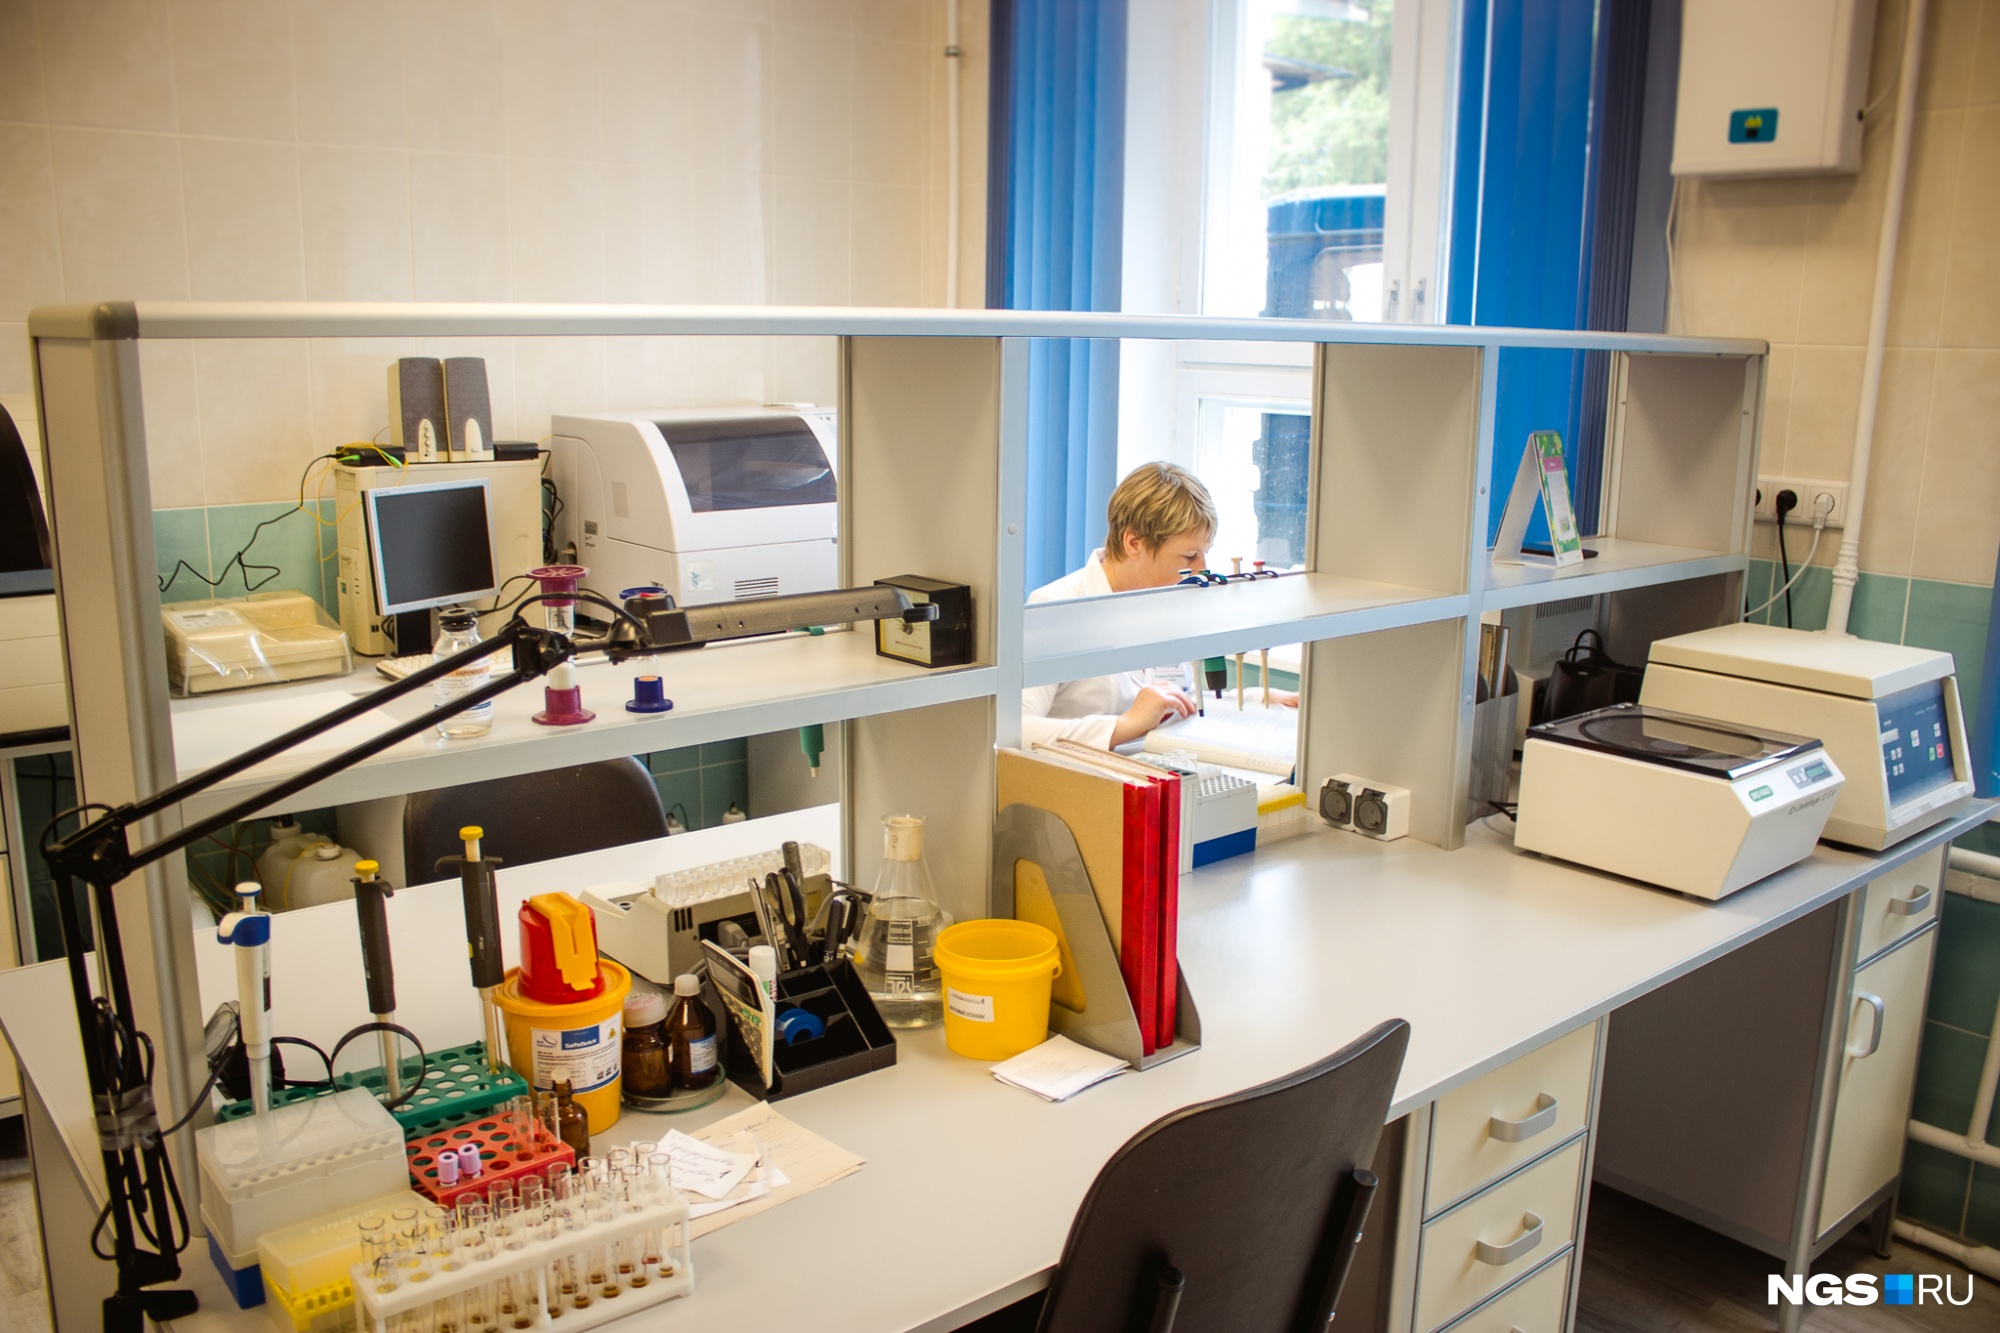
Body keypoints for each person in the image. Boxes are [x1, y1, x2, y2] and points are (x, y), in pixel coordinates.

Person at [1023, 462, 1248, 749]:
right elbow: (1015, 727)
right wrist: (1125, 725)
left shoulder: (1166, 601)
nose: (1202, 570)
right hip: (1078, 773)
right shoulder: (1056, 608)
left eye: (1205, 553)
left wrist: (1254, 700)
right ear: (1133, 543)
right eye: (1190, 556)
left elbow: (1177, 702)